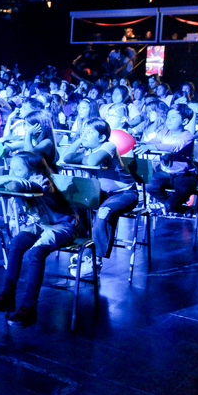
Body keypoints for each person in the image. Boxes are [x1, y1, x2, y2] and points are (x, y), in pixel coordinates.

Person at [0, 151, 78, 327]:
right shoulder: (21, 180)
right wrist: (11, 176)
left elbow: (15, 187)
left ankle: (29, 307)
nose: (13, 172)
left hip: (63, 225)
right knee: (16, 243)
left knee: (36, 253)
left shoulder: (41, 182)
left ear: (34, 171)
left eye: (18, 169)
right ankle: (8, 294)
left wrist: (8, 179)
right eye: (10, 168)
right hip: (41, 224)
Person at [60, 118, 138, 277]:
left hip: (124, 194)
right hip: (101, 194)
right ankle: (85, 248)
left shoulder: (108, 146)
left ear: (102, 137)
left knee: (103, 213)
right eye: (83, 132)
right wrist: (79, 141)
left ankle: (96, 260)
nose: (84, 135)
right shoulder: (88, 150)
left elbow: (92, 161)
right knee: (76, 206)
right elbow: (66, 158)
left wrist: (83, 157)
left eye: (89, 133)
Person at [135, 104, 197, 215]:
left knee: (183, 190)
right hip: (165, 172)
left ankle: (168, 206)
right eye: (168, 117)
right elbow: (151, 142)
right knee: (149, 185)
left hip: (184, 174)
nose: (169, 120)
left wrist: (152, 147)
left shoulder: (187, 136)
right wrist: (140, 144)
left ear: (184, 121)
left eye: (173, 117)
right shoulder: (163, 133)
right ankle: (169, 206)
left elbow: (175, 147)